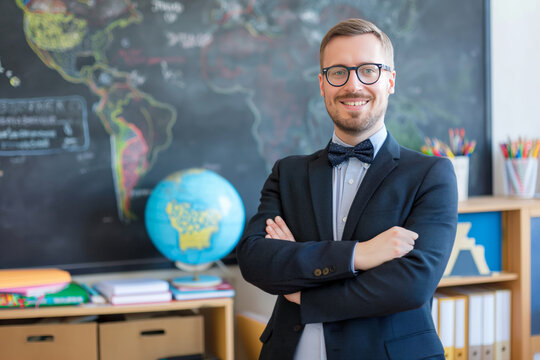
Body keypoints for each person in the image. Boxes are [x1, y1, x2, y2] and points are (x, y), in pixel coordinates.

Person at [236, 18, 458, 360]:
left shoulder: (432, 174)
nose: (353, 85)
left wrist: (304, 290)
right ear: (322, 85)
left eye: (368, 70)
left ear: (390, 81)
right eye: (338, 72)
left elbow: (411, 284)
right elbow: (255, 260)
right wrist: (360, 255)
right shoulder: (288, 172)